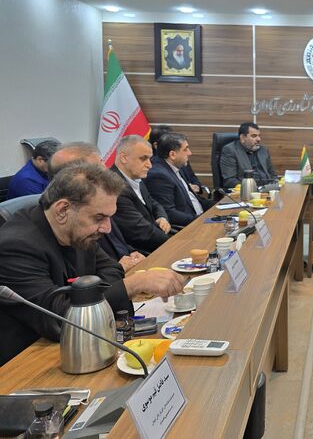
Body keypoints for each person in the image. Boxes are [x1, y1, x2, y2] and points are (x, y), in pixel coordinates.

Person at [0, 163, 183, 365]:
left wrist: (89, 295)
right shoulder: (14, 247)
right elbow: (57, 320)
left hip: (84, 345)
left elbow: (112, 268)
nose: (107, 228)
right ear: (63, 210)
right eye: (99, 217)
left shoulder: (79, 231)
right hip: (28, 363)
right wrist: (132, 285)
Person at [49, 141, 146, 272]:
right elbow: (83, 278)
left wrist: (132, 253)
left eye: (102, 162)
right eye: (98, 169)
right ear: (73, 178)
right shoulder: (74, 223)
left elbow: (116, 242)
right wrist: (119, 268)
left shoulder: (100, 203)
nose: (106, 170)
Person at [111, 135, 171, 254]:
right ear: (124, 158)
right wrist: (173, 242)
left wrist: (162, 217)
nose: (150, 165)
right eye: (143, 159)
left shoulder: (135, 177)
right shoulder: (114, 187)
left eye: (150, 159)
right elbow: (141, 232)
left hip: (156, 241)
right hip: (141, 252)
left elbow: (153, 203)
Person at [145, 133, 213, 227]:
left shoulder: (175, 166)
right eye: (185, 149)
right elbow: (169, 213)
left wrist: (220, 206)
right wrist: (202, 220)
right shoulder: (158, 175)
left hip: (199, 218)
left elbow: (194, 200)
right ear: (172, 154)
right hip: (188, 226)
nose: (190, 153)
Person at [149, 125, 204, 194]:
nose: (189, 153)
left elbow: (192, 177)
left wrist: (196, 187)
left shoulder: (180, 159)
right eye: (168, 140)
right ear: (156, 145)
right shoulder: (155, 170)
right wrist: (186, 188)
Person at [220, 122, 277, 187]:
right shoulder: (230, 150)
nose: (259, 139)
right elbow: (230, 180)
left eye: (259, 136)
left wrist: (275, 185)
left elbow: (272, 173)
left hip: (267, 189)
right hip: (246, 190)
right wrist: (250, 188)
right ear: (242, 138)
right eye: (254, 136)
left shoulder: (263, 150)